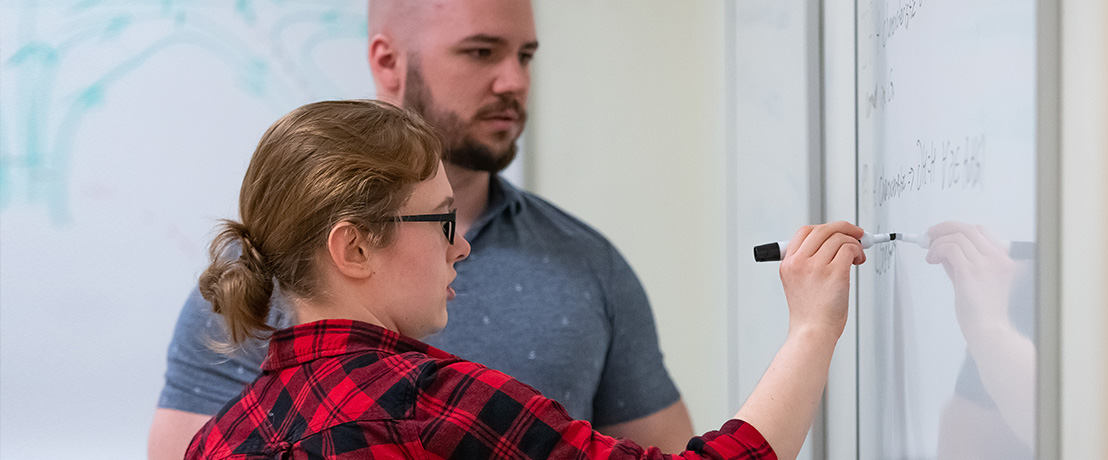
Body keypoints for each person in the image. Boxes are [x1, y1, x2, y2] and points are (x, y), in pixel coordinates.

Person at [150, 1, 691, 457]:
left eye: (525, 56)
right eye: (480, 52)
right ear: (388, 61)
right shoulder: (266, 273)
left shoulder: (589, 263)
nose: (515, 81)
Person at [183, 99, 865, 459]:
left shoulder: (214, 441)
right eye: (441, 223)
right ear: (354, 248)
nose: (462, 251)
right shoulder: (431, 407)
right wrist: (811, 329)